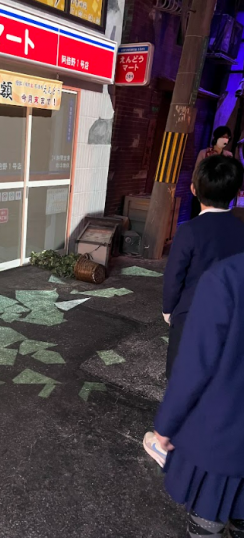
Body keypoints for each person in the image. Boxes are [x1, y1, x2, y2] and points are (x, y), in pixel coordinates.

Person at [143, 155, 244, 467]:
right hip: (232, 317)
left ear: (193, 189)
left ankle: (169, 443)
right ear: (237, 192)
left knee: (182, 375)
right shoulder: (240, 229)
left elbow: (174, 276)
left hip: (190, 316)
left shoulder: (189, 231)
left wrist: (168, 310)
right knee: (217, 378)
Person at [153, 253, 244, 537]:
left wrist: (166, 425)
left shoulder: (227, 277)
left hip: (223, 438)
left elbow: (195, 364)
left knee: (208, 518)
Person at [191, 126, 233, 218]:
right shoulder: (204, 153)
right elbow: (197, 170)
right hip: (203, 188)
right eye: (223, 136)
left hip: (219, 190)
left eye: (227, 137)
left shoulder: (228, 155)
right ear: (216, 137)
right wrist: (195, 185)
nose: (225, 139)